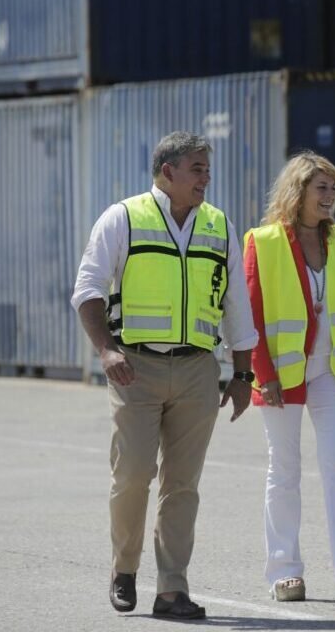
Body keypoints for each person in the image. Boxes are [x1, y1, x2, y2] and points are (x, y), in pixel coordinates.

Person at [72, 131, 258, 620]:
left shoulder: (219, 225)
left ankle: (172, 588)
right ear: (166, 172)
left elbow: (236, 302)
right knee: (132, 474)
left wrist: (243, 374)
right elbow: (88, 289)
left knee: (183, 484)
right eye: (196, 168)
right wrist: (106, 351)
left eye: (206, 168)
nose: (206, 177)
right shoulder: (124, 217)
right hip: (135, 367)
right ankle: (124, 568)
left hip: (198, 369)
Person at [241, 152, 335, 603]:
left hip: (330, 371)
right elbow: (251, 315)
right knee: (284, 470)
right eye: (321, 187)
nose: (330, 196)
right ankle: (285, 572)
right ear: (297, 192)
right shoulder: (262, 242)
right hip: (283, 374)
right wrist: (263, 374)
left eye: (333, 188)